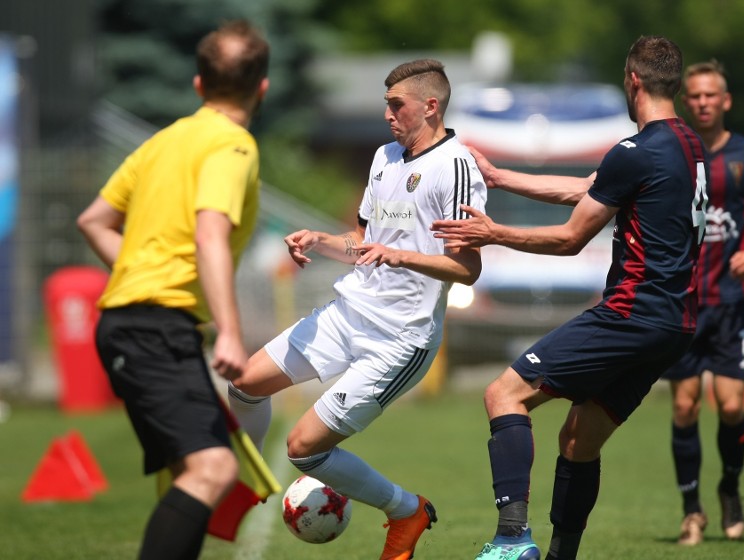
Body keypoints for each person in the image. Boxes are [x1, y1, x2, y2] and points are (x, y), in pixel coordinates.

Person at [432, 35, 707, 560]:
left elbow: (569, 238)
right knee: (579, 438)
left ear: (633, 81)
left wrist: (492, 232)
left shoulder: (636, 150)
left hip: (630, 314)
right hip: (675, 325)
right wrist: (499, 177)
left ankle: (512, 540)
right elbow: (591, 187)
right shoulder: (688, 147)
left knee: (503, 395)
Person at [227, 58, 486, 560]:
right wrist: (323, 240)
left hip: (398, 339)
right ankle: (250, 482)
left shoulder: (455, 166)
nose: (388, 115)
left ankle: (406, 510)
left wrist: (401, 255)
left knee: (304, 449)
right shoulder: (384, 156)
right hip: (347, 313)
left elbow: (467, 269)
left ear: (430, 106)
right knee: (244, 384)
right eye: (385, 105)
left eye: (397, 105)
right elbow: (367, 241)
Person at [76, 20, 269, 560]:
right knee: (214, 469)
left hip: (133, 322)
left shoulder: (162, 142)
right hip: (153, 326)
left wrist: (139, 271)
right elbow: (210, 231)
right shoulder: (234, 146)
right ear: (262, 88)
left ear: (198, 84)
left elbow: (93, 221)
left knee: (197, 469)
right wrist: (230, 332)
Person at [661, 59, 744, 546]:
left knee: (729, 406)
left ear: (725, 100)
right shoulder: (672, 152)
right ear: (684, 100)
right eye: (694, 95)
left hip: (733, 301)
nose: (703, 102)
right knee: (685, 406)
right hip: (684, 300)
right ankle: (692, 511)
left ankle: (729, 488)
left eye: (711, 95)